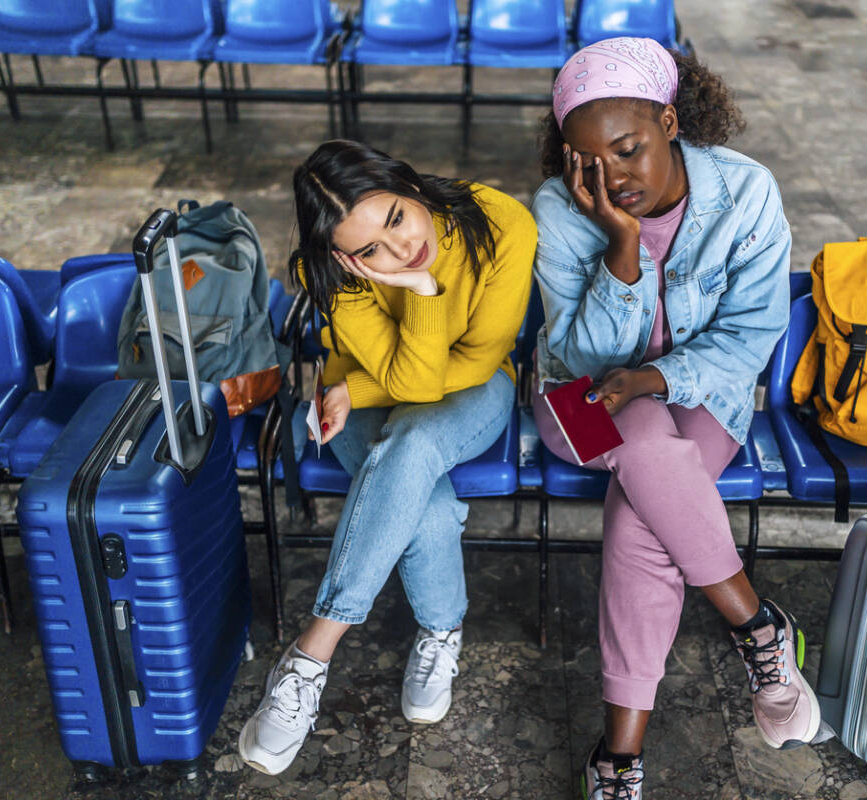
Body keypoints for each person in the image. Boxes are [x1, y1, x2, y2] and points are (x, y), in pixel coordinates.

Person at [530, 38, 821, 798]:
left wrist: (657, 376)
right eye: (585, 161)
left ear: (668, 121)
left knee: (642, 511)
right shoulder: (563, 211)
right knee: (648, 445)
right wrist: (622, 253)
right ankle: (756, 626)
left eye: (626, 150)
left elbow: (751, 333)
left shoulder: (744, 193)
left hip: (701, 394)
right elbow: (574, 350)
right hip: (576, 398)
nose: (610, 178)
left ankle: (619, 755)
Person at [239, 139, 537, 776]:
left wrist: (419, 296)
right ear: (343, 254)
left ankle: (310, 655)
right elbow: (403, 372)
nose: (400, 250)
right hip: (366, 388)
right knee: (424, 503)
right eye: (369, 249)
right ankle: (440, 631)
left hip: (476, 388)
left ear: (411, 186)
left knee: (414, 440)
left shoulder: (503, 222)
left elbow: (468, 365)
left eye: (396, 218)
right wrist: (366, 374)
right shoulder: (329, 273)